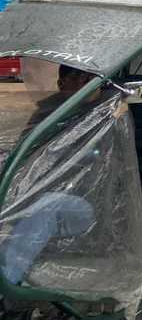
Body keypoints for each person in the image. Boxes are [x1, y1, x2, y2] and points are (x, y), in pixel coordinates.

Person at [1, 66, 102, 285]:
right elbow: (25, 156)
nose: (83, 83)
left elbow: (97, 163)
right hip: (40, 194)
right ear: (62, 83)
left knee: (47, 206)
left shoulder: (102, 115)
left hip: (87, 202)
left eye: (89, 78)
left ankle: (6, 281)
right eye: (77, 77)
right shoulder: (47, 115)